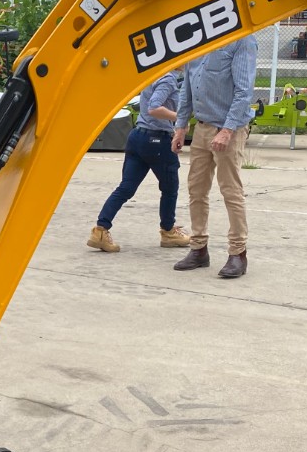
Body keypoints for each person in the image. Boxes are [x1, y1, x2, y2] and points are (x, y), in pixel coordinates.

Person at [172, 34, 258, 278]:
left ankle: (237, 254)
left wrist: (228, 130)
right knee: (196, 189)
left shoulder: (242, 41)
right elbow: (186, 87)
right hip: (202, 127)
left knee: (231, 191)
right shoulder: (195, 40)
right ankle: (198, 249)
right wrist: (180, 126)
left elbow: (244, 91)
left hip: (228, 129)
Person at [87, 69, 190, 253]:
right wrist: (179, 118)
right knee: (170, 188)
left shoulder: (155, 73)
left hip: (137, 137)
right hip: (157, 140)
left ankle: (100, 230)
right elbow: (154, 107)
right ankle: (168, 232)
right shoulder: (168, 79)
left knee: (126, 187)